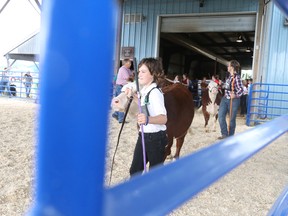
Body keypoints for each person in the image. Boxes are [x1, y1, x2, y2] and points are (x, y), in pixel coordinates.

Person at [128, 57, 168, 176]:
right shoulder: (145, 90)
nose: (139, 74)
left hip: (155, 138)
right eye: (139, 71)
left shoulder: (155, 93)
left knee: (154, 175)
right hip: (143, 135)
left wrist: (147, 119)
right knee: (135, 171)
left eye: (143, 72)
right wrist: (133, 97)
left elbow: (164, 118)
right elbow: (144, 105)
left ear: (153, 74)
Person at [218, 60, 244, 139]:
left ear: (232, 67)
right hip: (225, 98)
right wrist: (221, 84)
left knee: (232, 119)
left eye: (228, 66)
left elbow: (241, 90)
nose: (227, 67)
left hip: (234, 100)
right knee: (220, 116)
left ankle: (230, 136)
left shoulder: (237, 77)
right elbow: (227, 87)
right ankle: (224, 134)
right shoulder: (228, 76)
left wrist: (235, 95)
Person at [112, 59, 133, 123]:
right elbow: (128, 78)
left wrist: (131, 76)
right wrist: (131, 76)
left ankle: (115, 114)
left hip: (121, 86)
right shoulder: (123, 69)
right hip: (120, 87)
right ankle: (121, 119)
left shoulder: (128, 69)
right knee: (122, 102)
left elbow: (131, 76)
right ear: (125, 63)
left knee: (119, 101)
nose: (130, 64)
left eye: (130, 63)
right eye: (129, 63)